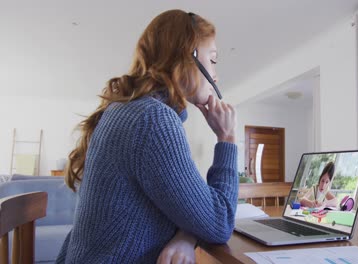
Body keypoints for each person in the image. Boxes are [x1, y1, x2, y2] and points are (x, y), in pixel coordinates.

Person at [56, 9, 238, 264]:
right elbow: (220, 222)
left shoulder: (131, 110)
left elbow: (187, 206)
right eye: (213, 60)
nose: (216, 75)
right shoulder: (153, 121)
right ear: (189, 56)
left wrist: (186, 235)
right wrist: (226, 138)